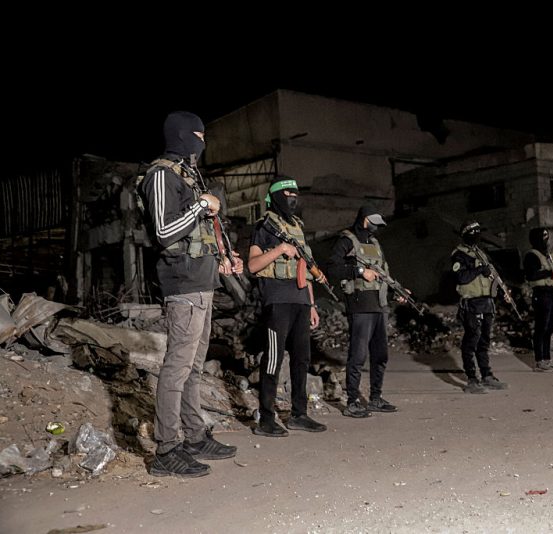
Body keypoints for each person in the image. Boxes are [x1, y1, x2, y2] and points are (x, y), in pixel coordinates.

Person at [138, 111, 243, 478]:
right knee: (176, 368)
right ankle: (167, 450)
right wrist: (202, 204)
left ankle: (195, 437)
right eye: (198, 134)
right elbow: (165, 231)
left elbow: (201, 231)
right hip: (182, 285)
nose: (203, 141)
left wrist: (226, 258)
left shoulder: (186, 173)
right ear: (182, 135)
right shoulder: (161, 175)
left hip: (203, 281)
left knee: (193, 368)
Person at [247, 178, 327, 436]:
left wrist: (312, 304)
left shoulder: (298, 227)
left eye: (295, 193)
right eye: (287, 193)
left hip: (301, 301)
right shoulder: (265, 227)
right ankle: (266, 419)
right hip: (277, 301)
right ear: (276, 197)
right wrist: (280, 248)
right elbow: (252, 265)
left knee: (302, 360)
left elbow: (304, 268)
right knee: (273, 360)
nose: (292, 197)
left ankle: (299, 414)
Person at [326, 205, 399, 418]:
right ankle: (352, 402)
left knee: (380, 355)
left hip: (379, 305)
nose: (376, 227)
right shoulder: (347, 240)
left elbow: (384, 274)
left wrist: (397, 293)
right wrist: (358, 271)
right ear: (366, 220)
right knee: (358, 355)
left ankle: (376, 398)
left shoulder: (375, 243)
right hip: (360, 306)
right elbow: (332, 268)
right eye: (374, 222)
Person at [450, 221, 509, 394]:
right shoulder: (459, 255)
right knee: (471, 341)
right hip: (471, 304)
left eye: (478, 232)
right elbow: (461, 278)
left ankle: (487, 375)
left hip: (487, 303)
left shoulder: (481, 253)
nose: (477, 235)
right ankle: (472, 379)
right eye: (473, 232)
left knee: (484, 341)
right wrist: (479, 270)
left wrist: (502, 292)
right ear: (465, 234)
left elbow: (491, 277)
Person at [523, 228, 553, 372]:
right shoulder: (531, 256)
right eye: (543, 238)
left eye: (546, 238)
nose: (545, 241)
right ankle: (540, 361)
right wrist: (549, 273)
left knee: (549, 328)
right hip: (540, 295)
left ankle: (547, 359)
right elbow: (531, 275)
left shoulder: (547, 255)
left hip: (551, 293)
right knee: (541, 328)